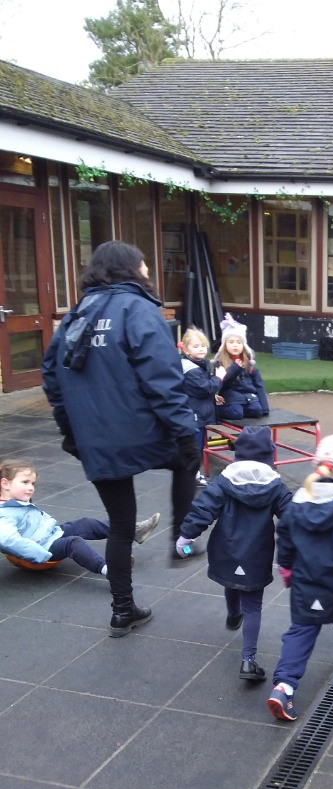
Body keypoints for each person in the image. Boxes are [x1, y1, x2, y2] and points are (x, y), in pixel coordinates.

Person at [41, 240, 201, 637]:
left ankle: (122, 610)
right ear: (133, 268)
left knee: (121, 524)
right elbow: (163, 379)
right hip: (140, 431)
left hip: (96, 440)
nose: (148, 271)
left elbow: (51, 377)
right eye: (145, 264)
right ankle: (183, 537)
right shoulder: (139, 309)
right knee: (186, 461)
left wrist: (70, 434)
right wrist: (184, 432)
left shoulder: (76, 315)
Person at [268, 434, 333, 722]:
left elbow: (286, 537)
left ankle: (284, 686)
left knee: (301, 632)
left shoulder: (299, 500)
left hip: (305, 584)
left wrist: (287, 569)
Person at [175, 426, 292, 682]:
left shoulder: (224, 482)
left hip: (226, 550)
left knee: (231, 581)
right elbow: (292, 516)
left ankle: (231, 613)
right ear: (269, 456)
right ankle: (248, 660)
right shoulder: (275, 486)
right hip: (257, 554)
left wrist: (186, 536)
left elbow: (203, 509)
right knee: (253, 606)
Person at [0, 458, 160, 575]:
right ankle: (109, 570)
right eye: (25, 482)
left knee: (85, 524)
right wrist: (39, 554)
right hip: (41, 549)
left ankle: (134, 531)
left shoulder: (15, 502)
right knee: (73, 543)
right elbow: (9, 540)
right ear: (5, 484)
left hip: (50, 534)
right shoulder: (4, 514)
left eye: (33, 483)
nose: (31, 488)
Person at [179, 326, 228, 488]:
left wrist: (212, 396)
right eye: (195, 346)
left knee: (198, 446)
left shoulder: (199, 363)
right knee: (195, 447)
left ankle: (192, 474)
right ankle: (191, 476)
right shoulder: (191, 369)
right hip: (194, 415)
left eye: (202, 346)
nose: (200, 349)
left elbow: (198, 390)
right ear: (186, 349)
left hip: (199, 411)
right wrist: (219, 378)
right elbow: (204, 387)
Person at [213, 313, 270, 421]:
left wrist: (265, 407)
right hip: (231, 396)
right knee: (236, 413)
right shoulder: (219, 362)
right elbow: (221, 383)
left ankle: (247, 408)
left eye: (239, 342)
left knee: (257, 410)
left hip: (248, 395)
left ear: (243, 345)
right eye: (231, 342)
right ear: (225, 345)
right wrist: (234, 369)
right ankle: (216, 410)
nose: (235, 345)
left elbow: (259, 384)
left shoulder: (249, 363)